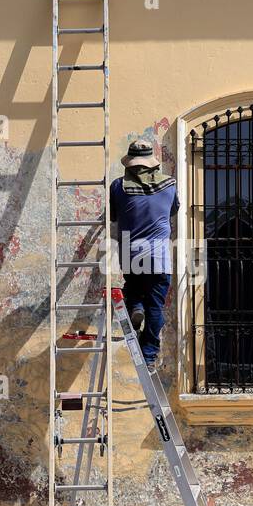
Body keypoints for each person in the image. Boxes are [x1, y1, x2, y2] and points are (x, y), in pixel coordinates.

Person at [109, 140, 178, 368]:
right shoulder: (170, 185)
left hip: (131, 253)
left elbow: (113, 216)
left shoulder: (118, 187)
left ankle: (136, 307)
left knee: (134, 290)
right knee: (155, 306)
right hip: (159, 257)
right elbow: (174, 210)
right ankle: (148, 356)